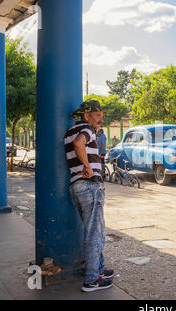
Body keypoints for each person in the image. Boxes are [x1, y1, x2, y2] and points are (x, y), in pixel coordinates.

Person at [64, 100, 114, 292]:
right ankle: (92, 280)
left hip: (76, 187)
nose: (101, 118)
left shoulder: (70, 132)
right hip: (89, 186)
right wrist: (87, 167)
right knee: (95, 233)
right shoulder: (87, 130)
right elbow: (80, 144)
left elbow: (76, 143)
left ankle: (100, 270)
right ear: (86, 116)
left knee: (95, 231)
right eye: (98, 115)